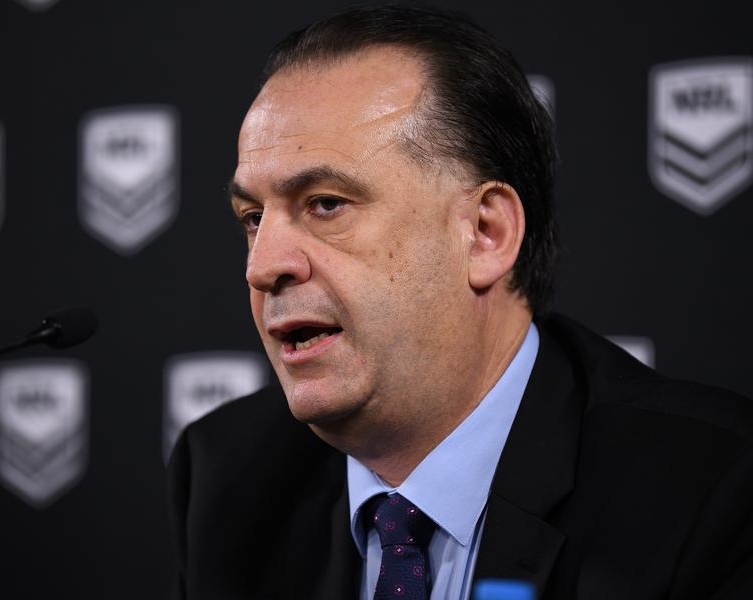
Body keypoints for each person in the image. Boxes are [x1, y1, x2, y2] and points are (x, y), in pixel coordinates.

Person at [168, 5, 753, 599]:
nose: (262, 266)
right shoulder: (226, 479)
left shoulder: (712, 485)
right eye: (253, 218)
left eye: (325, 204)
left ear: (485, 234)